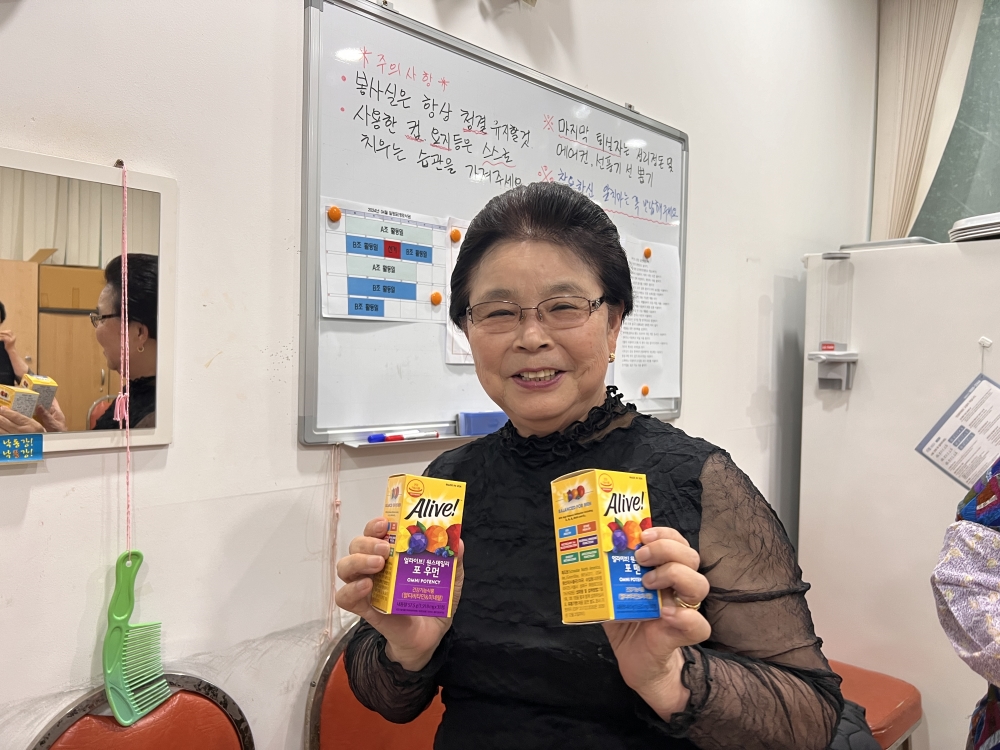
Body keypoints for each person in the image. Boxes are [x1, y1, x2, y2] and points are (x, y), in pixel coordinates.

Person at [336, 183, 877, 749]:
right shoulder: (448, 482)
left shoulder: (695, 478)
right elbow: (390, 703)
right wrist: (408, 649)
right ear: (468, 330)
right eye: (498, 312)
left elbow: (811, 714)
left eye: (564, 307)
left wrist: (669, 677)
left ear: (614, 322)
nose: (531, 338)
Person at [0, 253, 157, 434]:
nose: (96, 330)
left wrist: (42, 442)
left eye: (101, 318)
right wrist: (58, 434)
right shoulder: (134, 392)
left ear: (139, 333)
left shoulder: (156, 417)